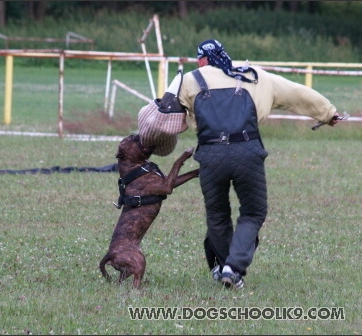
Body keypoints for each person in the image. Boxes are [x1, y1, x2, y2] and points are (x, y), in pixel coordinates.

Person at [141, 38, 340, 289]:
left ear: (201, 59)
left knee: (217, 214)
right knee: (253, 212)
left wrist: (149, 143)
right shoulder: (255, 75)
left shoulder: (190, 80)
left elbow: (163, 117)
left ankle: (225, 266)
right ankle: (233, 268)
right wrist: (328, 113)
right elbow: (297, 93)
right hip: (247, 152)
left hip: (210, 155)